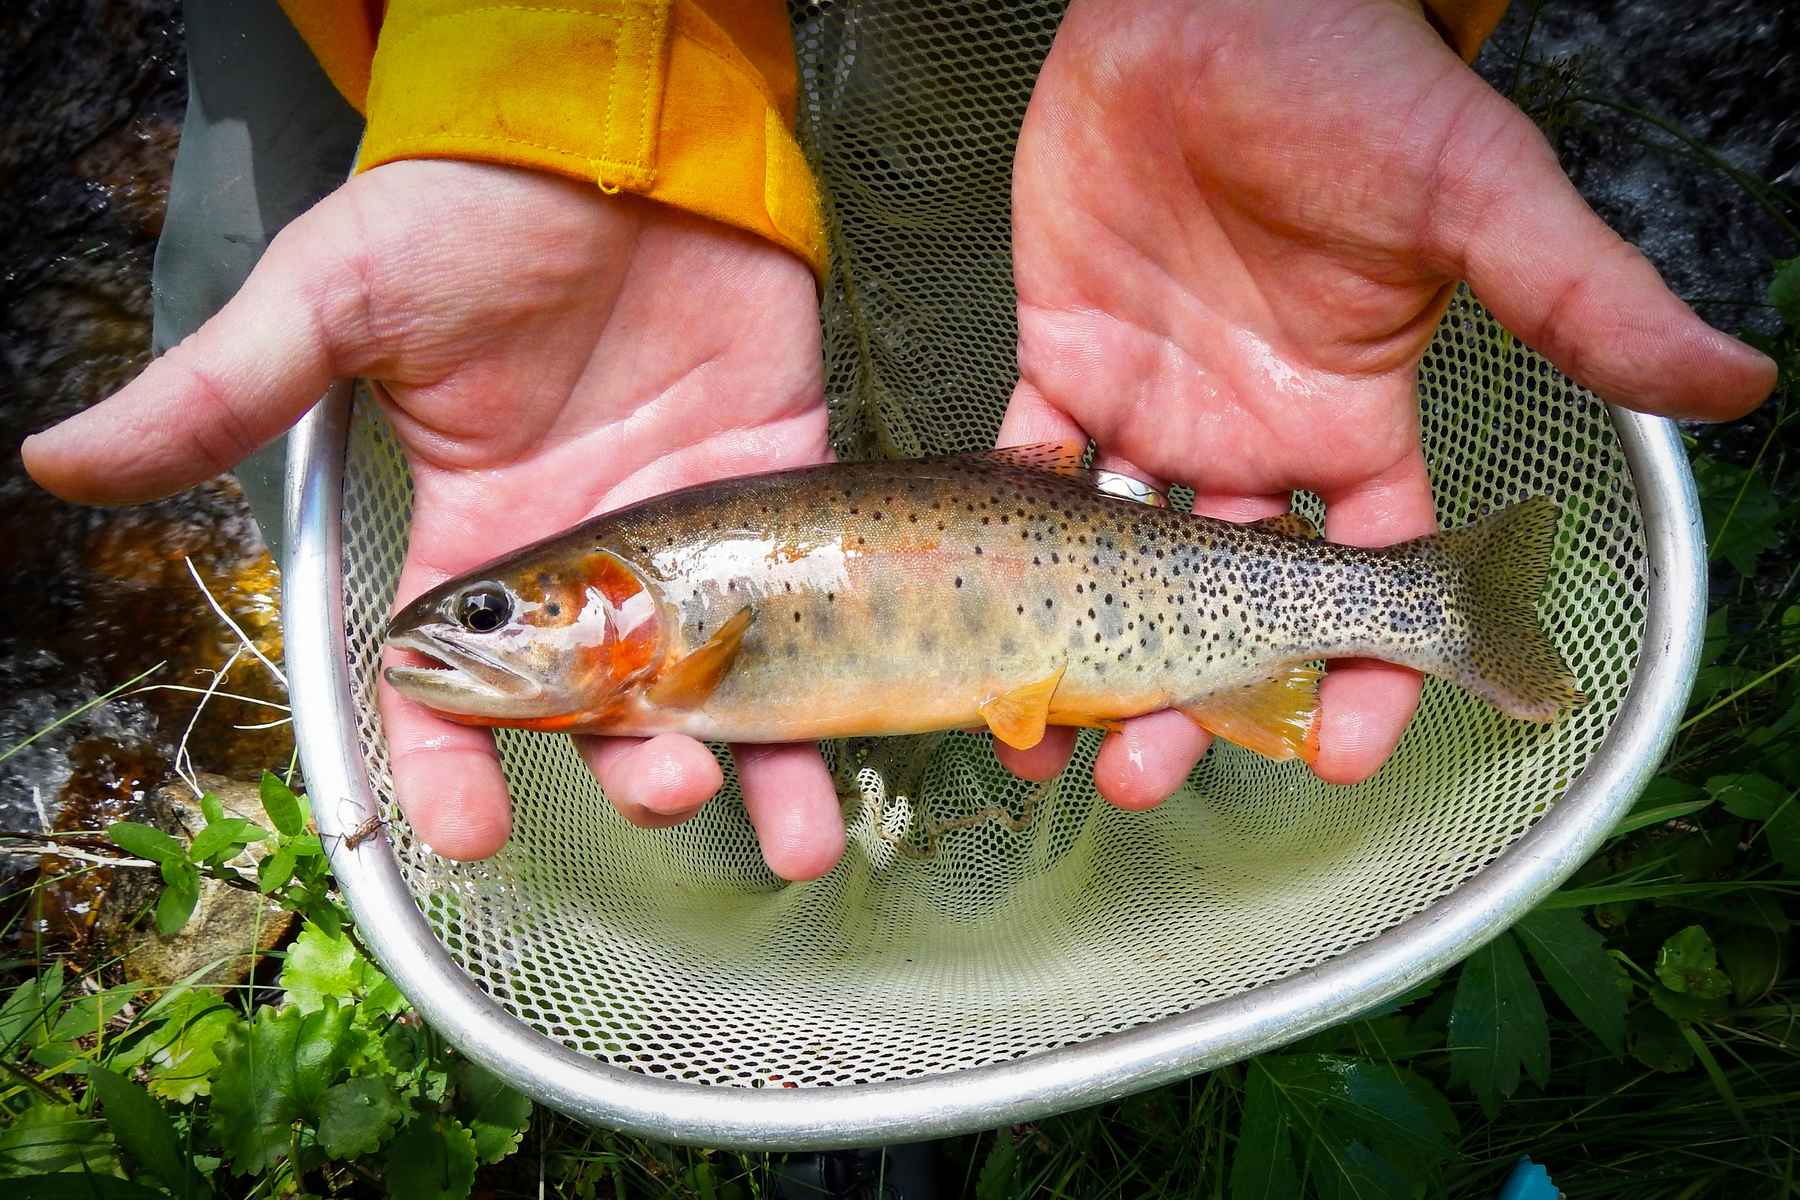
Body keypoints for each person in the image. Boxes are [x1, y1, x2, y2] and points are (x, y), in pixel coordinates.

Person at [23, 0, 1775, 882]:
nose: (469, 629)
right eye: (492, 616)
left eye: (497, 613)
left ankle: (1421, 604)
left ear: (606, 604)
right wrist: (546, 85)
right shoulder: (659, 650)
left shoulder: (670, 640)